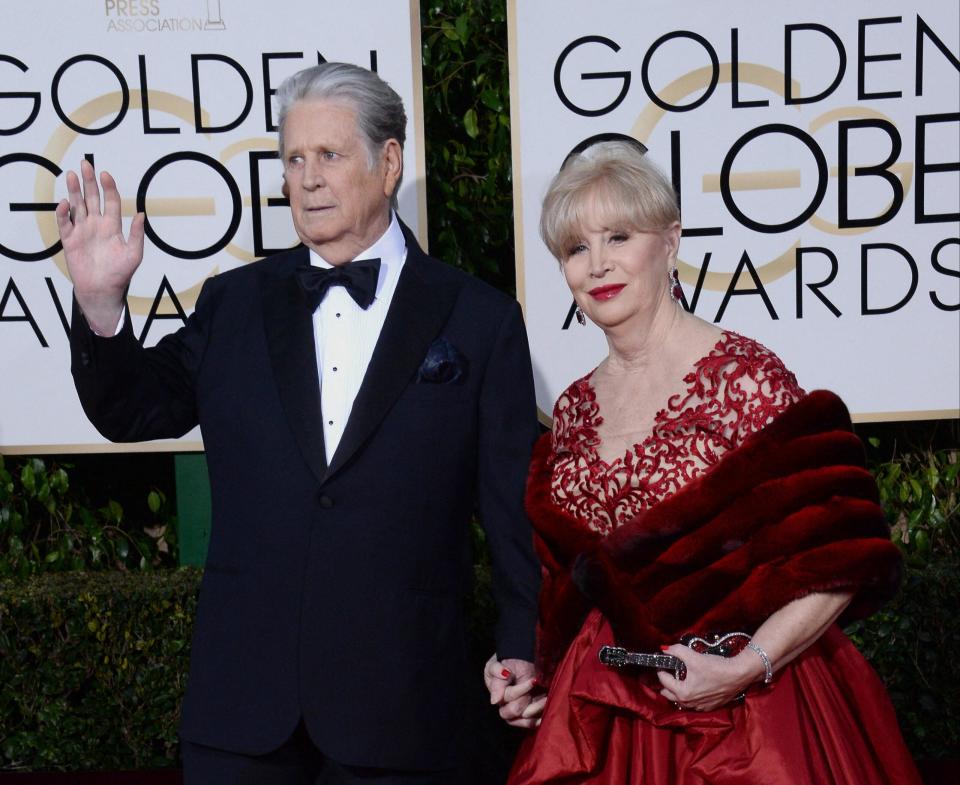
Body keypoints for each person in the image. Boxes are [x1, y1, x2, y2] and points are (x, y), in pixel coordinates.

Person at [57, 62, 540, 784]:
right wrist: (101, 306)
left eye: (330, 155)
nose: (307, 178)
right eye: (293, 159)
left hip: (404, 716)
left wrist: (522, 644)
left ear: (389, 163)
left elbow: (516, 516)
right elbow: (132, 410)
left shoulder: (479, 319)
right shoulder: (235, 304)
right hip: (242, 719)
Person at [486, 140, 923, 784]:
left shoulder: (746, 378)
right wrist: (534, 669)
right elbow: (568, 588)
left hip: (752, 721)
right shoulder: (573, 407)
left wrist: (749, 666)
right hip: (601, 723)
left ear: (671, 240)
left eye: (619, 236)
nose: (598, 264)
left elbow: (841, 559)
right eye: (577, 248)